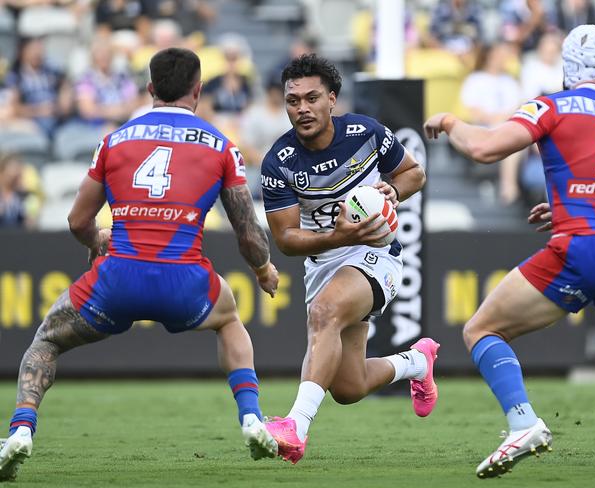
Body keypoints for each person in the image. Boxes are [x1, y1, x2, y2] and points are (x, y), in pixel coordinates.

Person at [0, 47, 281, 482]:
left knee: (45, 342)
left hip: (117, 280)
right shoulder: (221, 145)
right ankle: (251, 418)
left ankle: (20, 429)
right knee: (229, 321)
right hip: (185, 283)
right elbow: (247, 231)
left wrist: (98, 240)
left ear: (150, 89)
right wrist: (264, 270)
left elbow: (77, 220)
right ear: (198, 90)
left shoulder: (113, 141)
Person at [423, 24, 595, 478]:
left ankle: (523, 423)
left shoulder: (552, 104)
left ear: (568, 65)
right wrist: (571, 204)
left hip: (582, 248)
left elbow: (485, 148)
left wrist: (450, 122)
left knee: (481, 329)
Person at [260, 53, 439, 464]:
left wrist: (396, 191)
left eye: (311, 98)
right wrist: (337, 235)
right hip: (325, 261)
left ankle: (295, 427)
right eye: (292, 101)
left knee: (324, 312)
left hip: (378, 253)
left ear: (332, 99)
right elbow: (286, 239)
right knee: (348, 387)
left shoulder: (366, 133)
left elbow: (414, 174)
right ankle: (415, 362)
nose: (302, 109)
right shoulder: (279, 162)